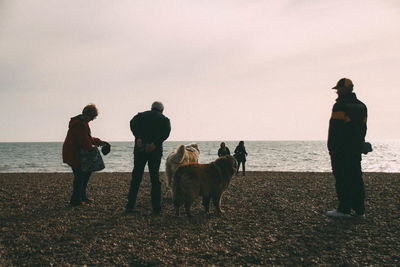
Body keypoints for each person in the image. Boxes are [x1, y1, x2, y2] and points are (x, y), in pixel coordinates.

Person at [327, 78, 368, 218]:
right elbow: (363, 128)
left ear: (345, 89)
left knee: (342, 178)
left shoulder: (340, 106)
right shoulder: (362, 106)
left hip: (341, 149)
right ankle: (359, 210)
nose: (337, 92)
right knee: (356, 177)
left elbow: (336, 129)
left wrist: (332, 147)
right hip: (356, 148)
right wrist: (360, 144)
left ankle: (344, 209)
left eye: (338, 89)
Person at [126, 101, 171, 215]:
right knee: (154, 179)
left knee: (136, 177)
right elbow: (166, 132)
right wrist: (155, 144)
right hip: (155, 150)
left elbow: (132, 123)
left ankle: (130, 206)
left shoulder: (140, 116)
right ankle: (156, 208)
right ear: (161, 110)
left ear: (151, 108)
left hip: (140, 148)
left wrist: (138, 137)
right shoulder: (164, 119)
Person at [62, 104, 109, 206]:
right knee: (79, 177)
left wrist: (101, 142)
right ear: (87, 115)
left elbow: (88, 138)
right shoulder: (80, 124)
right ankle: (75, 201)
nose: (92, 120)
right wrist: (93, 148)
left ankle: (82, 197)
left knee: (84, 175)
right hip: (73, 153)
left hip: (74, 152)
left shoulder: (82, 122)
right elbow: (84, 141)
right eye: (92, 117)